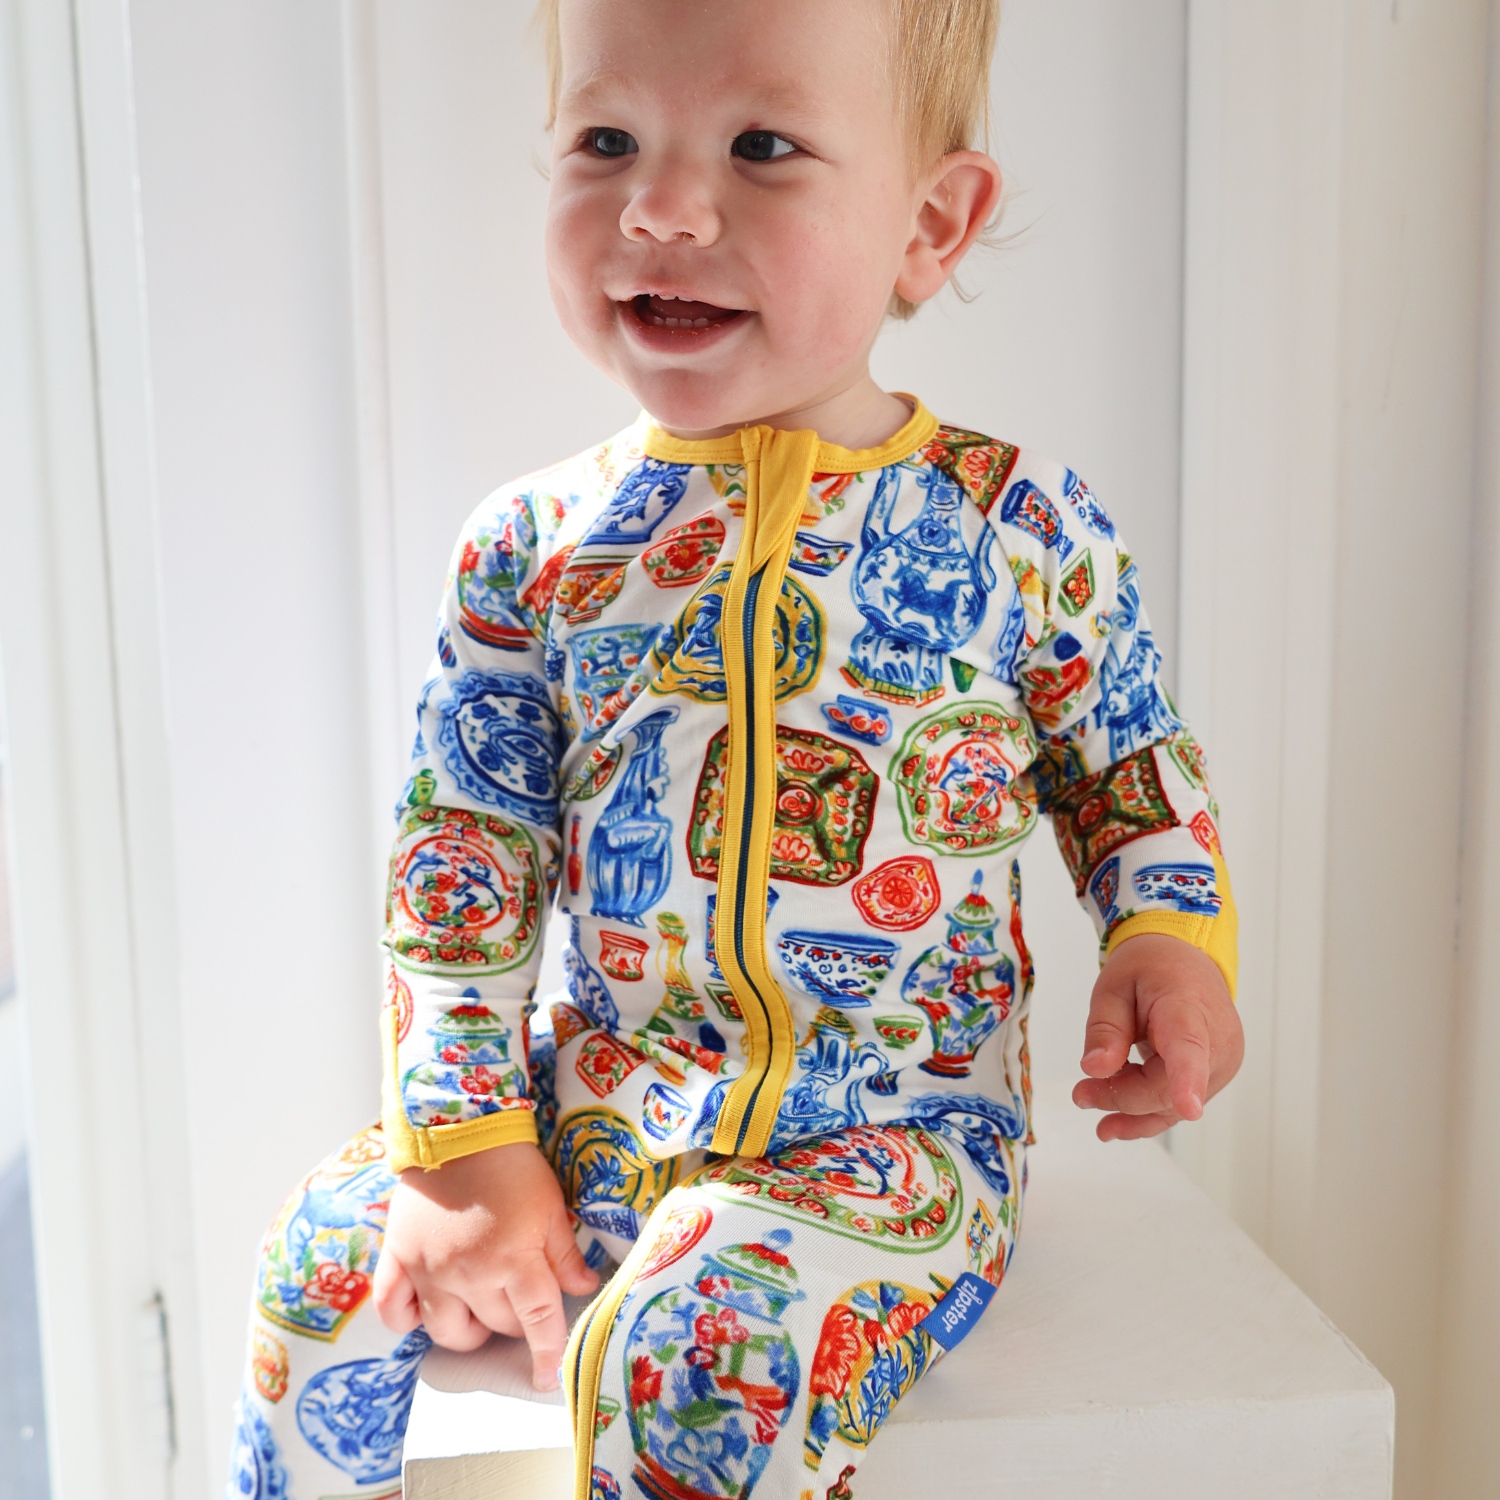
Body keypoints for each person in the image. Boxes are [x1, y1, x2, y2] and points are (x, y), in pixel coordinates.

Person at [227, 2, 1245, 1497]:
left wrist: (1169, 937)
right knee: (317, 1268)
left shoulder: (1020, 531)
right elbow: (463, 851)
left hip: (889, 1144)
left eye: (761, 146)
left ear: (931, 224)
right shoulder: (532, 550)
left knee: (691, 1363)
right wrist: (463, 1142)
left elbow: (1128, 765)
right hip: (597, 1108)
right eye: (606, 139)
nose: (660, 207)